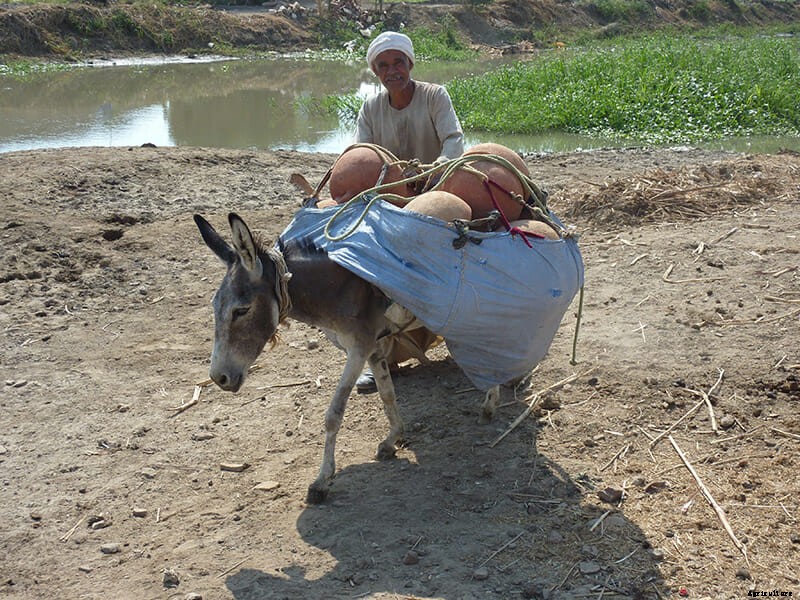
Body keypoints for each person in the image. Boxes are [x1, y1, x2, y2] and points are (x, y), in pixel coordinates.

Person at [354, 30, 465, 393]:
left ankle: (468, 340)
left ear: (410, 64)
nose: (392, 71)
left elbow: (453, 140)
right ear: (376, 72)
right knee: (368, 276)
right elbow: (362, 155)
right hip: (389, 203)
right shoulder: (370, 108)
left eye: (398, 62)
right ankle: (380, 355)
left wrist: (435, 171)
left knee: (460, 260)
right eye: (383, 66)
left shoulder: (435, 96)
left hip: (437, 194)